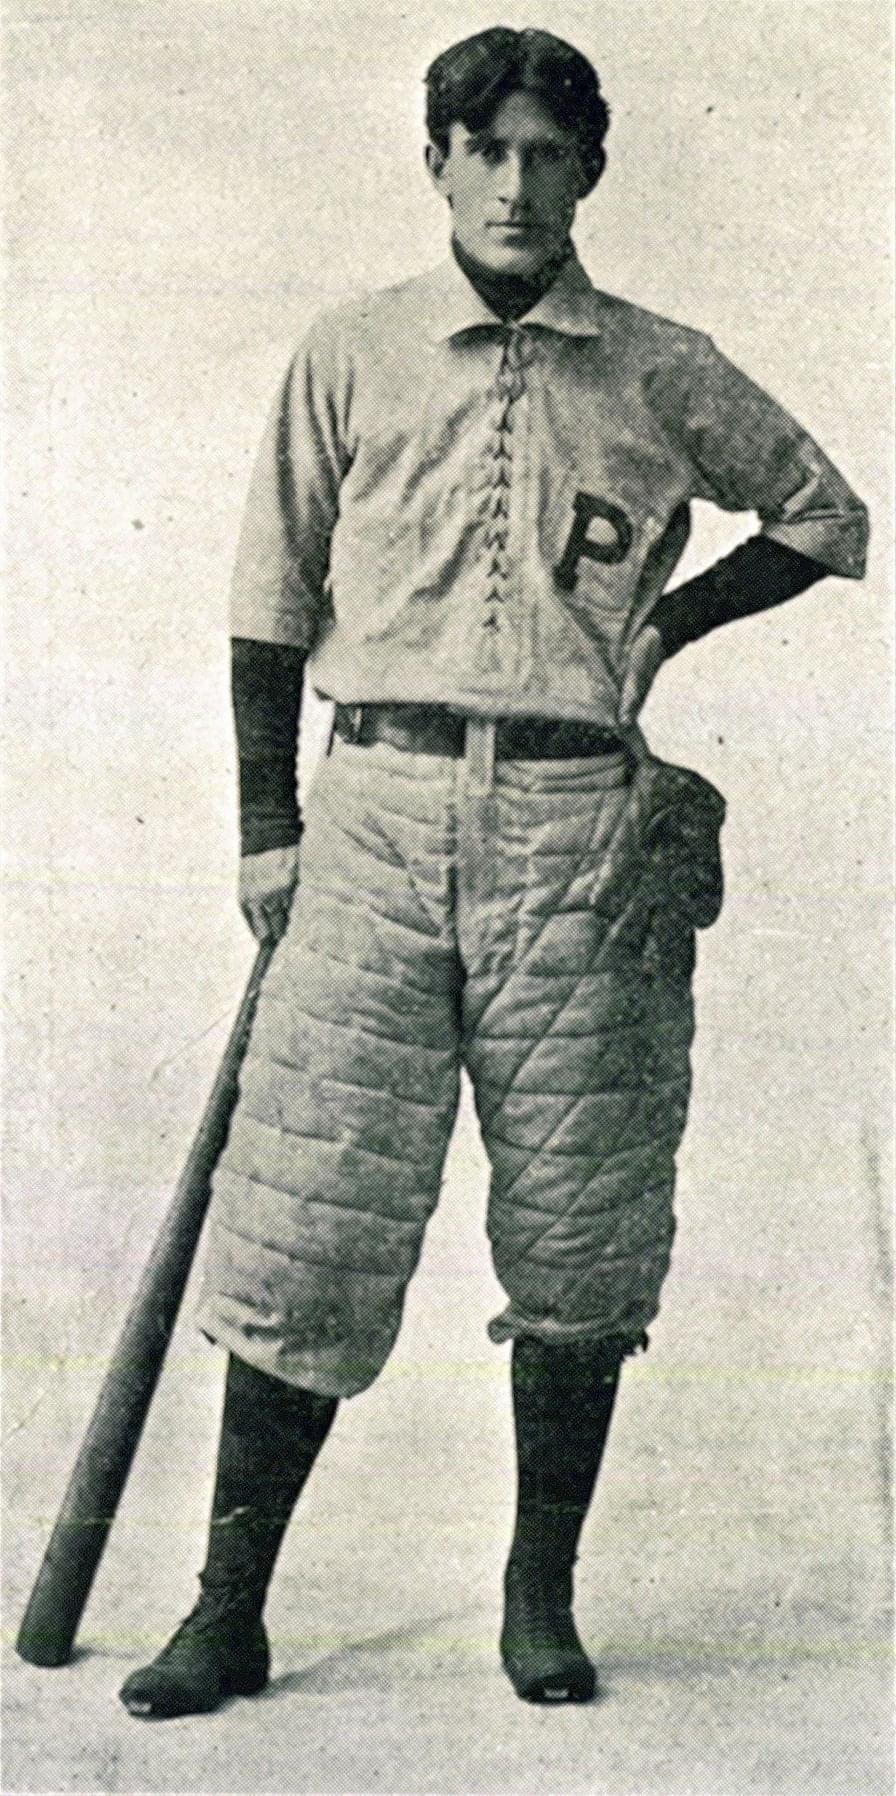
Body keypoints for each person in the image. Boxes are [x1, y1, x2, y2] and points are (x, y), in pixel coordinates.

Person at [120, 26, 868, 1717]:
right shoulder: (354, 351)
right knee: (309, 1218)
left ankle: (541, 1594)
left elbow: (829, 518)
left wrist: (669, 622)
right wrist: (263, 825)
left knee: (582, 1227)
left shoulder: (661, 368)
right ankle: (227, 1608)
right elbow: (266, 604)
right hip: (372, 816)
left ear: (589, 171)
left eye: (550, 155)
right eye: (489, 152)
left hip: (579, 835)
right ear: (440, 164)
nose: (519, 185)